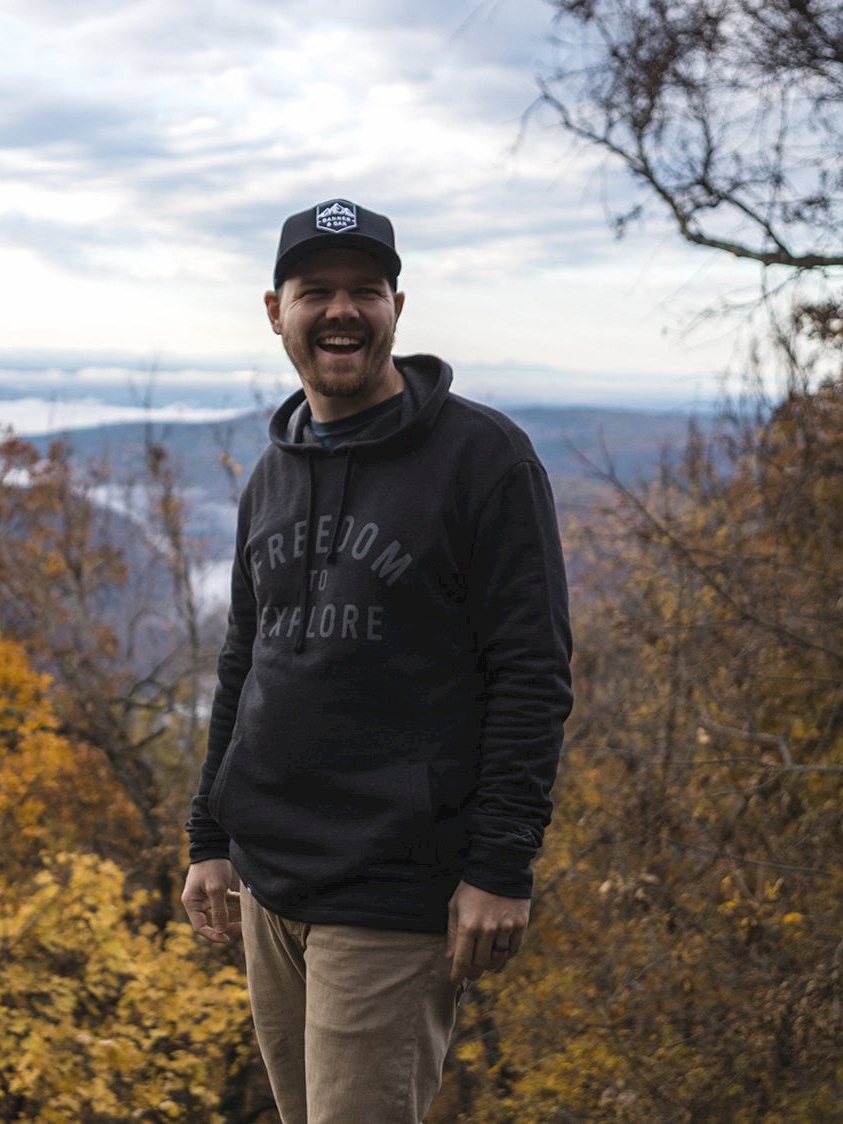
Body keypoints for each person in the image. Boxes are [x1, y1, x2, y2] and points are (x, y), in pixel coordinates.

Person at [181, 199, 573, 1122]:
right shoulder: (273, 472)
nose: (341, 311)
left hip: (393, 890)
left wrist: (502, 866)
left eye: (365, 290)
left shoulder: (484, 461)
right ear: (276, 310)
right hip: (268, 884)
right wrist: (208, 836)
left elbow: (531, 674)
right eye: (316, 290)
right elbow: (248, 658)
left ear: (399, 306)